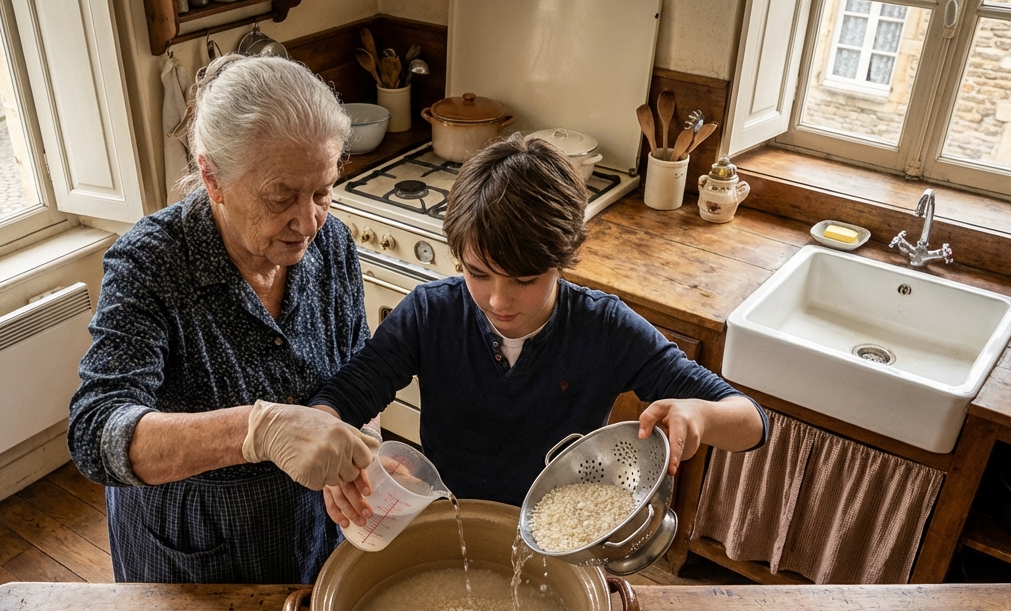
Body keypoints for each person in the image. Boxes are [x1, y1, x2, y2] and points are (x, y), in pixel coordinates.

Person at [311, 135, 768, 527]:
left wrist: (700, 415)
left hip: (560, 530)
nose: (498, 301)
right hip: (453, 517)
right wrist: (330, 443)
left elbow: (751, 422)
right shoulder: (430, 314)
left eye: (525, 280)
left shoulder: (603, 328)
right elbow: (344, 397)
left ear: (562, 259)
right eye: (478, 273)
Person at [68, 55, 379, 584]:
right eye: (281, 196)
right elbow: (95, 433)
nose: (309, 221)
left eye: (323, 191)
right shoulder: (152, 263)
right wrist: (257, 430)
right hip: (195, 554)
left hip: (309, 533)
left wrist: (360, 450)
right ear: (212, 177)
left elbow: (357, 371)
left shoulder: (333, 245)